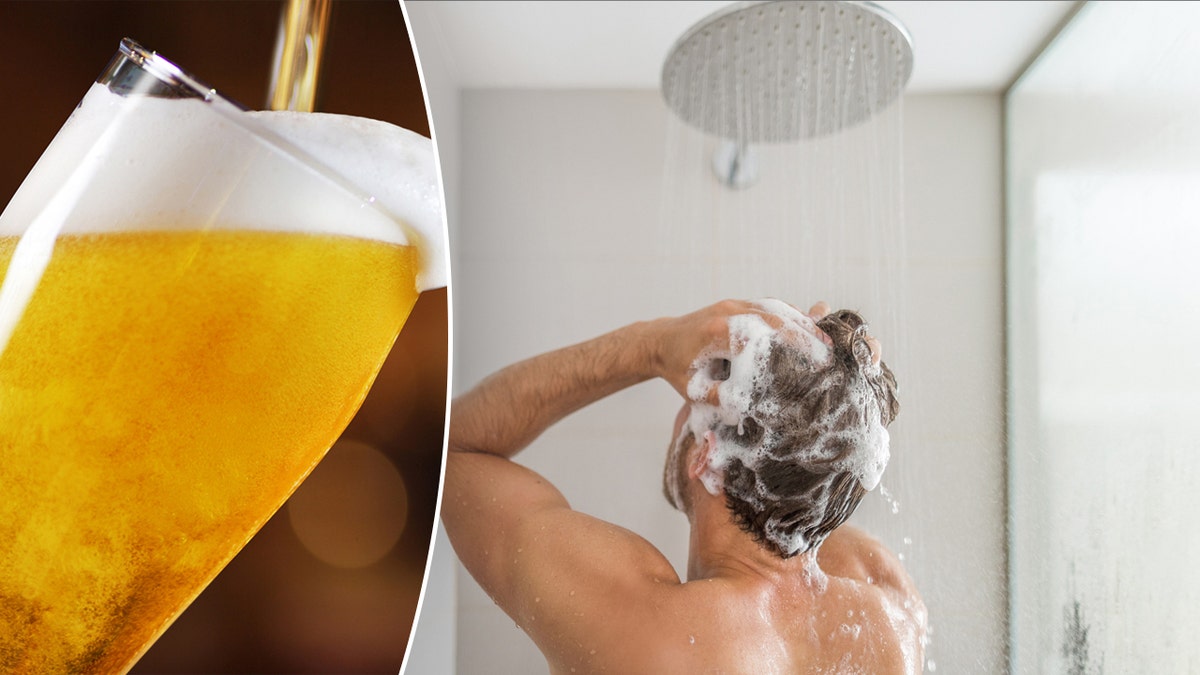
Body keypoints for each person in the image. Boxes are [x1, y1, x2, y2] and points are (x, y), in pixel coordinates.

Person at [443, 299, 927, 673]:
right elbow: (809, 470)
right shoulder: (888, 612)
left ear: (707, 454)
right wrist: (832, 385)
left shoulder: (648, 630)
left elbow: (453, 450)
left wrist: (651, 346)